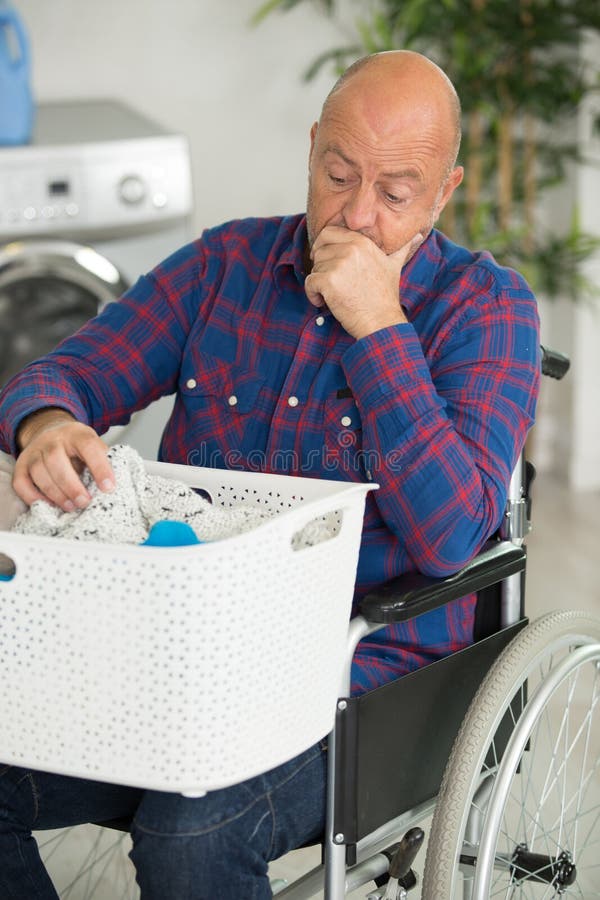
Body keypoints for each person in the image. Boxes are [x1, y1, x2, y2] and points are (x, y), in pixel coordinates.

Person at [0, 50, 540, 899]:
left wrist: (378, 327)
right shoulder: (226, 267)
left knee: (193, 827)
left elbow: (450, 539)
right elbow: (65, 374)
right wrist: (49, 424)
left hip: (359, 682)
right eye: (338, 173)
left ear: (444, 192)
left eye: (396, 194)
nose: (358, 214)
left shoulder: (488, 307)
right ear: (313, 148)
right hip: (177, 653)